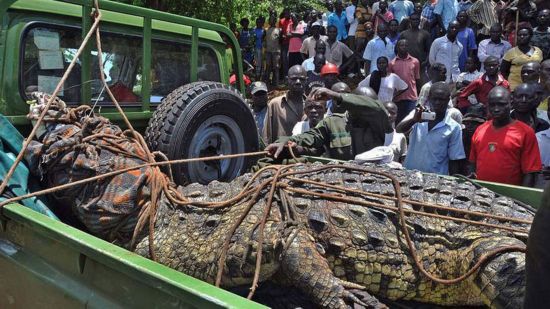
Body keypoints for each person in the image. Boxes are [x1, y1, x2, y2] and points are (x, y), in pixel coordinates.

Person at [265, 87, 393, 161]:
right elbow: (310, 137)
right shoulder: (333, 122)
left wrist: (336, 96)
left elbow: (377, 109)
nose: (365, 112)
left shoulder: (379, 122)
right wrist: (286, 140)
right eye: (360, 107)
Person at [469, 86, 541, 186]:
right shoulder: (480, 129)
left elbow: (530, 173)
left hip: (510, 197)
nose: (496, 109)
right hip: (482, 195)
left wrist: (522, 198)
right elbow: (473, 163)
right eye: (492, 105)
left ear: (511, 104)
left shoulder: (526, 132)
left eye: (501, 104)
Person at [396, 82, 465, 175]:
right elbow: (398, 130)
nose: (437, 103)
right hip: (410, 175)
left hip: (435, 180)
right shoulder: (417, 115)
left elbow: (454, 160)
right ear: (429, 98)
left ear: (448, 100)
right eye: (435, 99)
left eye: (441, 100)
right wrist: (414, 120)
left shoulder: (454, 128)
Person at [262, 65, 307, 144]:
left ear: (306, 80)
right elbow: (267, 136)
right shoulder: (275, 104)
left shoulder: (313, 106)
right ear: (287, 80)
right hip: (281, 154)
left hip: (306, 154)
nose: (298, 82)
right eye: (294, 79)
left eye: (302, 79)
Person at [501, 25, 544, 90]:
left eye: (525, 35)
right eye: (519, 35)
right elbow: (503, 71)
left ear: (530, 36)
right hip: (515, 86)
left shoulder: (538, 51)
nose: (521, 37)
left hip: (535, 86)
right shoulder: (510, 52)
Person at [389, 39, 421, 122]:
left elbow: (417, 79)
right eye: (401, 45)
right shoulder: (392, 63)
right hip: (397, 98)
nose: (404, 47)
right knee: (398, 121)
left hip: (411, 97)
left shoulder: (415, 61)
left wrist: (419, 95)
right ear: (397, 47)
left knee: (411, 121)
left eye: (406, 45)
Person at [399, 13, 432, 85]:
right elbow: (397, 50)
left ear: (420, 21)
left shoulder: (425, 34)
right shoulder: (403, 34)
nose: (415, 21)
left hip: (421, 66)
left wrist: (426, 62)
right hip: (406, 65)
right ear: (410, 21)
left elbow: (429, 50)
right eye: (413, 19)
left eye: (417, 19)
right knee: (406, 85)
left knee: (421, 86)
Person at [264, 15, 281, 87]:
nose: (271, 21)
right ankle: (267, 83)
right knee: (268, 67)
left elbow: (280, 41)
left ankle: (276, 84)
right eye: (270, 20)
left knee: (276, 67)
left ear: (275, 21)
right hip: (268, 51)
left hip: (276, 51)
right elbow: (264, 39)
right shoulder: (266, 30)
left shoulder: (278, 30)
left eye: (273, 19)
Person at [279, 9, 293, 77]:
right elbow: (280, 32)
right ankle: (285, 76)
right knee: (284, 60)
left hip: (292, 43)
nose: (287, 14)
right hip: (284, 43)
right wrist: (282, 36)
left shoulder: (292, 20)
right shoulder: (281, 21)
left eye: (288, 13)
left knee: (290, 59)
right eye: (285, 13)